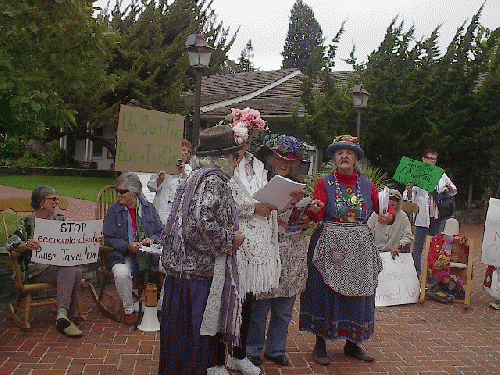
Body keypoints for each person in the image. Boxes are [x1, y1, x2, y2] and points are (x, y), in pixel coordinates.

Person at [299, 135, 395, 364]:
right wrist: (314, 208)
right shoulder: (324, 183)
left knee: (360, 294)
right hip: (330, 245)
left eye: (349, 153)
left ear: (355, 159)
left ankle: (353, 342)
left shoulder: (366, 185)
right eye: (340, 152)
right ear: (334, 158)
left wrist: (388, 215)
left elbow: (386, 208)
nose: (344, 156)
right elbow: (316, 215)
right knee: (324, 293)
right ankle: (320, 343)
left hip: (359, 247)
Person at [159, 124, 245, 375]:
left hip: (181, 269)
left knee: (178, 338)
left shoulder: (193, 178)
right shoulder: (214, 180)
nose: (236, 163)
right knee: (194, 338)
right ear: (222, 158)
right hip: (196, 273)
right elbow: (203, 221)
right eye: (234, 157)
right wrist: (230, 239)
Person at [246, 134, 311, 367]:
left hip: (290, 250)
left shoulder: (297, 186)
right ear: (270, 158)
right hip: (265, 248)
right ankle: (253, 349)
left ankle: (276, 349)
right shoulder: (258, 180)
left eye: (290, 160)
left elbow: (301, 217)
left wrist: (302, 215)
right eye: (280, 157)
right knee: (260, 307)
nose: (284, 163)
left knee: (284, 308)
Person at [7, 186, 83, 337]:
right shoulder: (27, 223)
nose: (57, 202)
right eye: (53, 199)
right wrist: (26, 244)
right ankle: (66, 316)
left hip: (58, 267)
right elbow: (11, 242)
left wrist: (92, 239)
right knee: (73, 270)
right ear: (41, 202)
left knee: (75, 270)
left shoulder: (60, 220)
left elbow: (79, 234)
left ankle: (63, 316)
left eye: (57, 198)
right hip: (36, 270)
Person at [103, 172, 164, 326]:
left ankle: (160, 305)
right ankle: (129, 310)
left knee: (172, 268)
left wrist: (152, 240)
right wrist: (127, 246)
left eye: (122, 191)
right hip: (123, 255)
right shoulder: (113, 211)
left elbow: (161, 231)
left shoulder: (148, 208)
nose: (118, 194)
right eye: (118, 191)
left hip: (149, 256)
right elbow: (109, 238)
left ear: (134, 192)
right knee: (121, 273)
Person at [403, 149, 457, 278]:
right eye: (429, 158)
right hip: (422, 216)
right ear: (423, 159)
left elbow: (453, 190)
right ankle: (417, 274)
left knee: (435, 246)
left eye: (434, 159)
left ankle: (431, 274)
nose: (431, 161)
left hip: (436, 215)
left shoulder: (440, 174)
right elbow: (407, 197)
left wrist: (448, 187)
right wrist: (409, 190)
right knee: (418, 246)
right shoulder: (414, 173)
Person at [147, 139, 193, 224]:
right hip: (160, 212)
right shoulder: (162, 166)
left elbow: (191, 188)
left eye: (189, 151)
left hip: (177, 215)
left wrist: (183, 173)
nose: (186, 153)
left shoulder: (189, 170)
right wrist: (160, 179)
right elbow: (151, 187)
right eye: (183, 150)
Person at [367, 188, 413, 258]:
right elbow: (368, 231)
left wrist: (399, 245)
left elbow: (408, 236)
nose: (392, 202)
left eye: (395, 200)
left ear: (399, 202)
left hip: (393, 254)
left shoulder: (403, 216)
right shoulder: (376, 214)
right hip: (376, 253)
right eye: (389, 199)